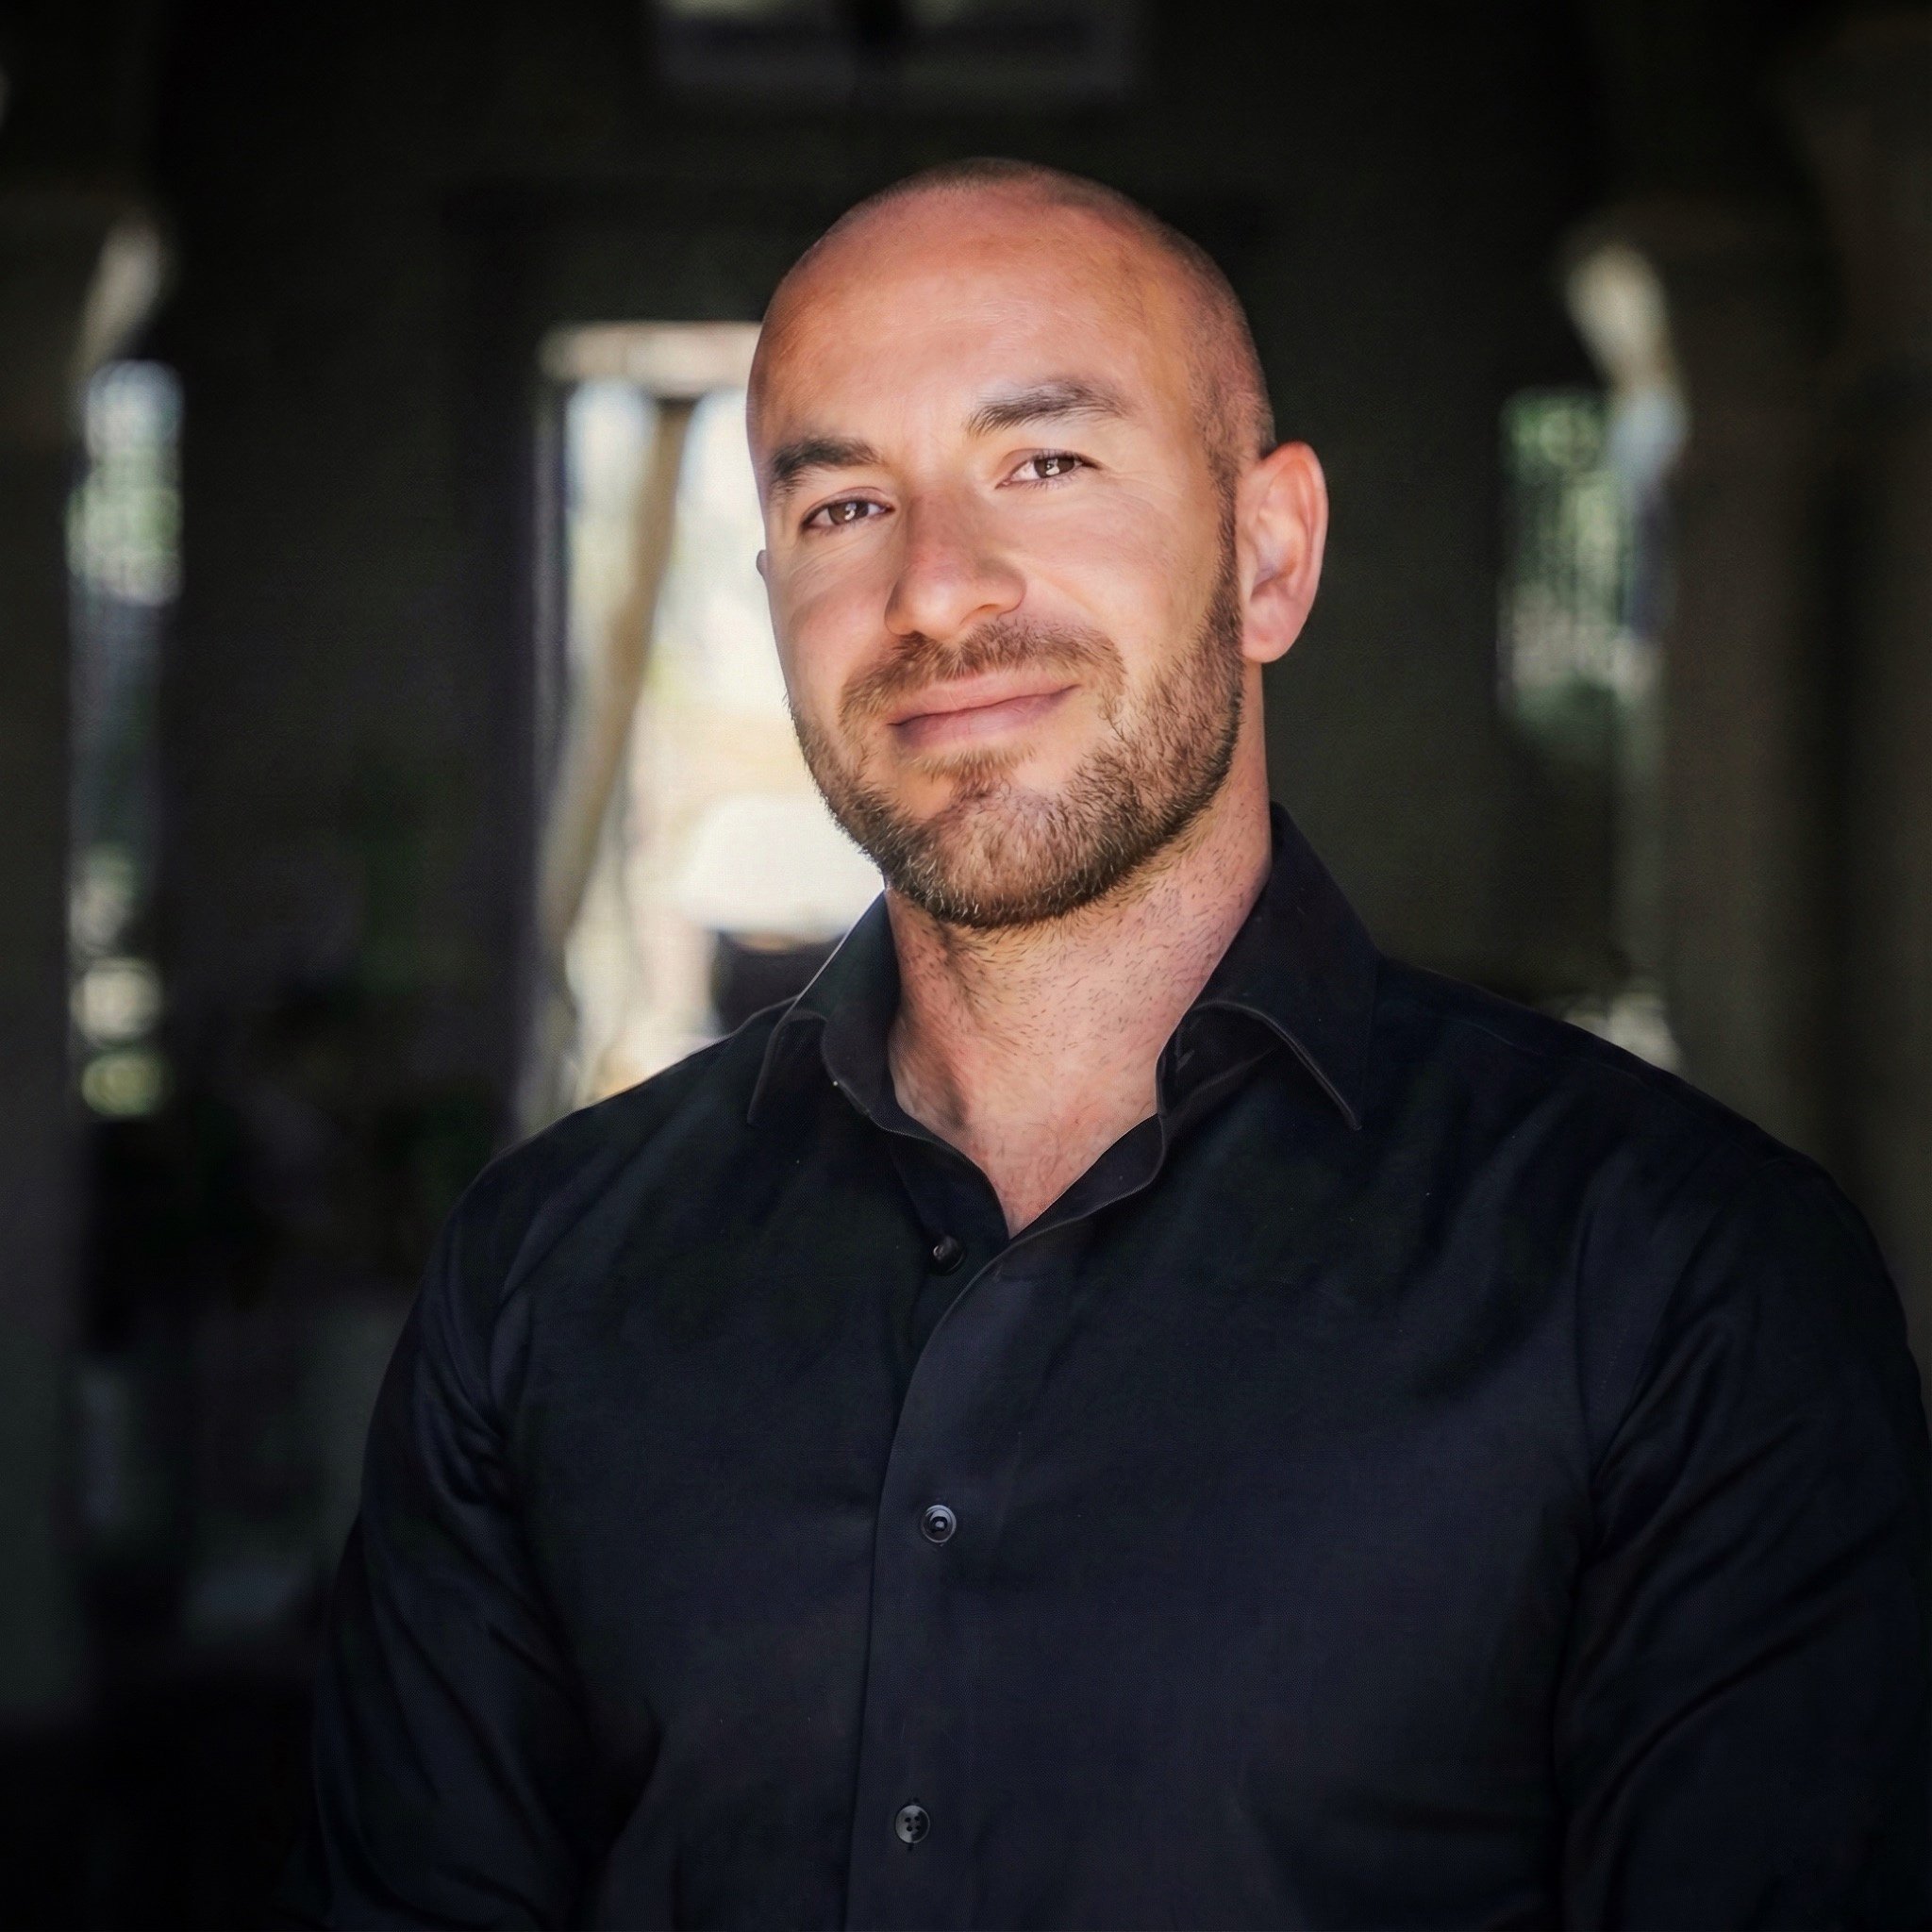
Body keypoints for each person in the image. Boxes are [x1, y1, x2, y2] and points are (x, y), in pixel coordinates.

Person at [284, 159, 1929, 1929]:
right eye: (846, 505)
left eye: (1046, 463)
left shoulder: (1686, 1281)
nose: (936, 591)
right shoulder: (540, 1275)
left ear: (1270, 554)